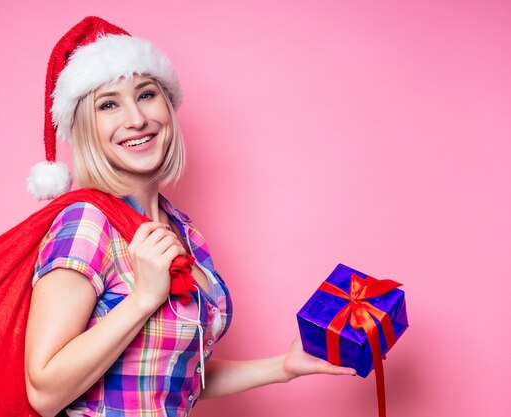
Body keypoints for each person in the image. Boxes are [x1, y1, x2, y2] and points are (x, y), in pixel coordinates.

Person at [23, 16, 355, 417]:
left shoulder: (182, 229)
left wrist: (281, 368)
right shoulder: (87, 224)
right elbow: (44, 393)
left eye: (145, 94)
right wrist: (144, 297)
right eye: (108, 104)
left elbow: (175, 374)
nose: (136, 119)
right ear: (85, 129)